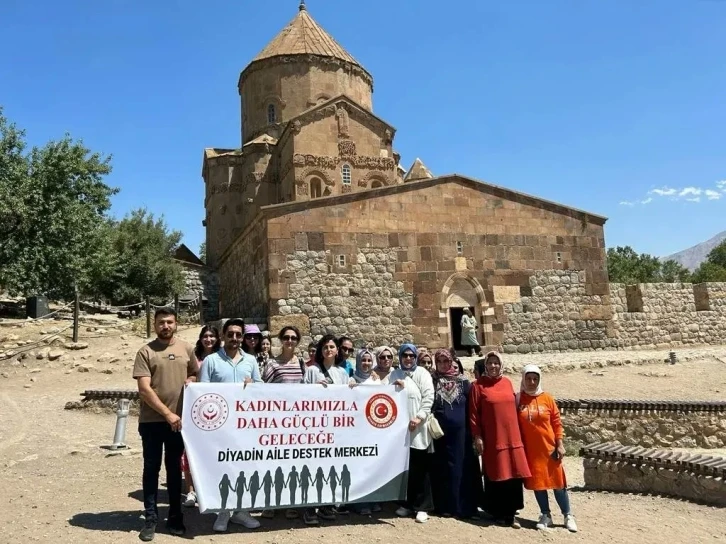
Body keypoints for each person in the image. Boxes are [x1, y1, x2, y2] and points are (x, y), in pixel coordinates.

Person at [133, 307, 198, 542]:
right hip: (152, 422)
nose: (166, 326)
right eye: (161, 322)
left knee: (173, 470)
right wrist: (167, 414)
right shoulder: (146, 352)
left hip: (179, 423)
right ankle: (150, 517)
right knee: (151, 470)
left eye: (169, 322)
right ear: (155, 325)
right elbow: (144, 389)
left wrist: (191, 379)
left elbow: (196, 374)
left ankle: (175, 516)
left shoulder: (186, 349)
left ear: (176, 323)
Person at [199, 318, 262, 532]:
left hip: (246, 426)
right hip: (221, 426)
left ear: (242, 337)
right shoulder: (211, 361)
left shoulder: (251, 361)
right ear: (223, 336)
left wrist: (254, 385)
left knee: (244, 467)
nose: (234, 338)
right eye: (230, 334)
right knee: (222, 468)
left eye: (238, 334)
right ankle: (223, 512)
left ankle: (241, 511)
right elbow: (203, 392)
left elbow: (261, 388)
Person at [469, 351, 531, 528]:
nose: (493, 366)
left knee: (512, 473)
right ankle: (497, 512)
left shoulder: (507, 382)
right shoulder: (478, 386)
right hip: (493, 437)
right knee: (497, 472)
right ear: (485, 365)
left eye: (496, 363)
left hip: (512, 436)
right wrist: (477, 436)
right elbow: (473, 414)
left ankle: (511, 512)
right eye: (490, 363)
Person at [517, 365, 578, 532]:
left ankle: (568, 515)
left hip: (549, 449)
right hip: (531, 451)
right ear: (523, 379)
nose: (531, 382)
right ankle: (545, 515)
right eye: (528, 378)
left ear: (539, 379)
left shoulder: (548, 399)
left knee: (558, 484)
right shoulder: (518, 399)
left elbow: (557, 423)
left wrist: (560, 444)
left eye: (535, 378)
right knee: (539, 484)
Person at [430, 349, 483, 519]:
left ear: (452, 361)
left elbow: (472, 407)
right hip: (440, 434)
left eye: (447, 361)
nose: (444, 364)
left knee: (462, 468)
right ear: (436, 363)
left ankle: (464, 506)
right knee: (443, 468)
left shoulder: (463, 382)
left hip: (462, 434)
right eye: (440, 362)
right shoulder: (433, 381)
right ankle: (445, 506)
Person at [303, 334, 349, 523]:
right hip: (315, 427)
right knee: (312, 466)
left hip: (335, 426)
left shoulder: (342, 373)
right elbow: (302, 392)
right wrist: (314, 387)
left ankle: (326, 504)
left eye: (331, 347)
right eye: (325, 347)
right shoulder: (313, 370)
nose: (328, 350)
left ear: (337, 350)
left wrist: (352, 387)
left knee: (331, 466)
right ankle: (308, 507)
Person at [261, 326, 305, 521]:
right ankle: (270, 502)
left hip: (298, 422)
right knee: (273, 462)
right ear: (280, 340)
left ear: (297, 341)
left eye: (293, 338)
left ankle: (290, 502)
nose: (289, 340)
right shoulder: (272, 364)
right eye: (286, 337)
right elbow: (262, 390)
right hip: (276, 422)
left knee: (293, 463)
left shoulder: (302, 364)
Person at [390, 344, 435, 523]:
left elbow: (428, 396)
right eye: (404, 355)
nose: (408, 358)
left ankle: (422, 506)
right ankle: (407, 504)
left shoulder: (422, 374)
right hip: (400, 429)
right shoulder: (395, 374)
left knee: (420, 467)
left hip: (417, 426)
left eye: (411, 355)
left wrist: (419, 417)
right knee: (406, 469)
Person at [182, 325, 220, 508]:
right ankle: (191, 491)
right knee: (189, 451)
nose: (209, 339)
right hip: (197, 410)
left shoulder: (222, 357)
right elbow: (188, 374)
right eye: (205, 336)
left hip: (218, 411)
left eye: (212, 336)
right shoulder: (193, 356)